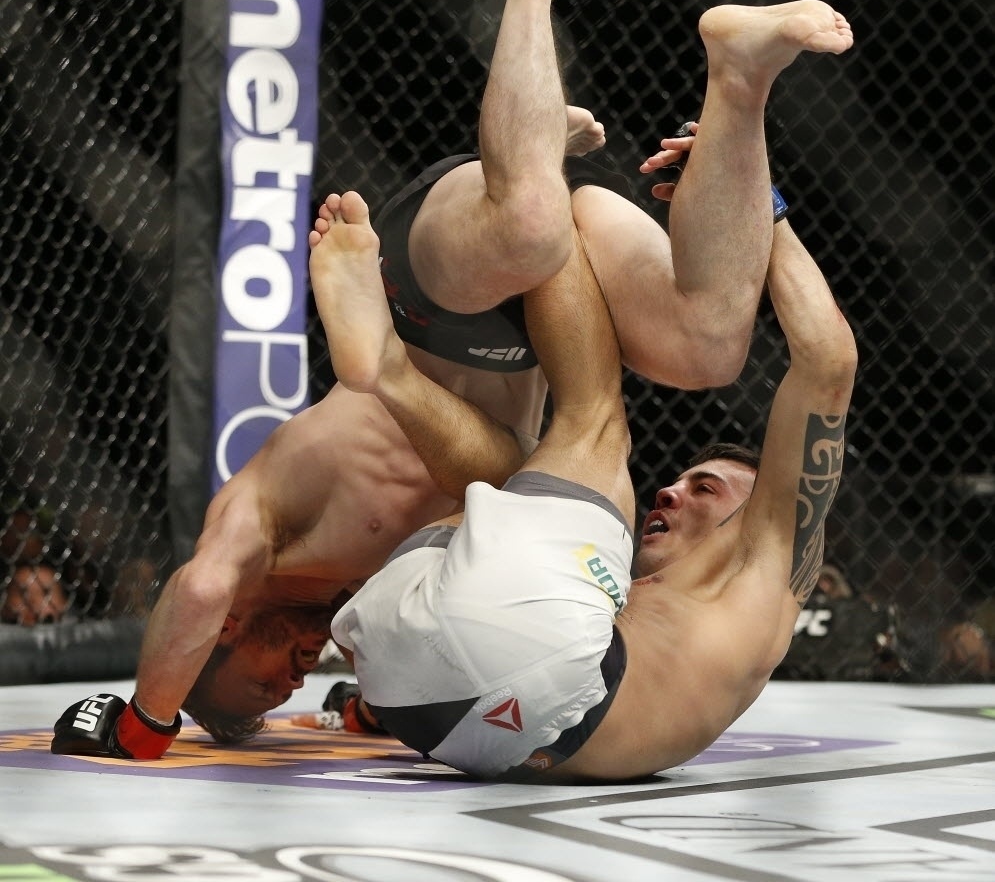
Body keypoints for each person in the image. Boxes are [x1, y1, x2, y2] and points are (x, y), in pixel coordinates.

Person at [50, 0, 853, 760]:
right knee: (707, 347)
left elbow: (197, 591)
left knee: (529, 229)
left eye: (263, 676)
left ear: (230, 630)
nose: (290, 681)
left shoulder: (254, 534)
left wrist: (144, 718)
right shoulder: (351, 605)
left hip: (422, 298)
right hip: (528, 390)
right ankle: (737, 81)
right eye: (285, 690)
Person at [324, 173, 858, 781]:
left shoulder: (772, 559)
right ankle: (388, 371)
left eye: (705, 489)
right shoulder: (648, 608)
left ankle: (536, 209)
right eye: (682, 482)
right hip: (421, 704)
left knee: (594, 423)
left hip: (536, 667)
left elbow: (830, 361)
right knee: (525, 469)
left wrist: (764, 205)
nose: (669, 491)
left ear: (762, 513)